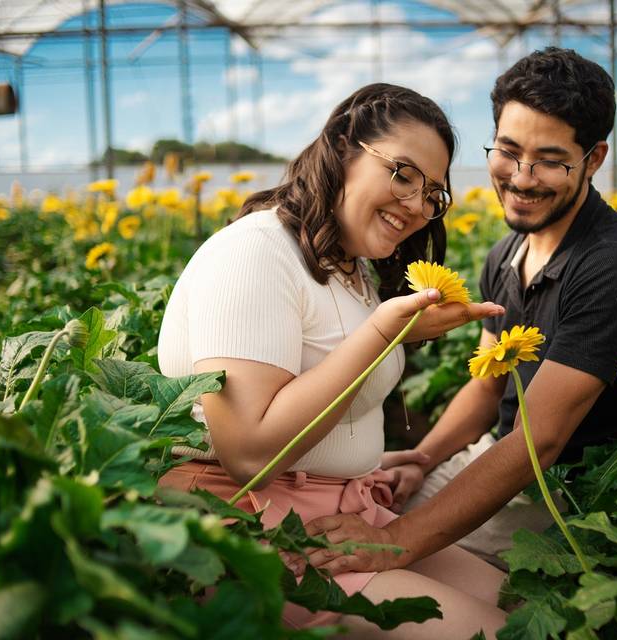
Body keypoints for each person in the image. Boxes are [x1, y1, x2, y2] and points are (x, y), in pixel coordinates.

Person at [156, 83, 508, 638]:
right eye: (403, 174)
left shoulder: (352, 266)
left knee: (526, 608)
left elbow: (326, 409)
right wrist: (382, 334)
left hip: (337, 513)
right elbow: (247, 452)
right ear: (344, 145)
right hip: (249, 527)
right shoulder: (255, 252)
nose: (417, 205)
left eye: (432, 193)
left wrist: (369, 461)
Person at [301, 48, 617, 574]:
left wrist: (399, 543)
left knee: (385, 558)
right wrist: (422, 460)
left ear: (593, 160)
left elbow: (538, 442)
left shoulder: (611, 267)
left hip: (575, 501)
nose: (521, 178)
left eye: (549, 159)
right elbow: (486, 385)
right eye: (508, 150)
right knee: (380, 505)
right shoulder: (508, 254)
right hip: (500, 460)